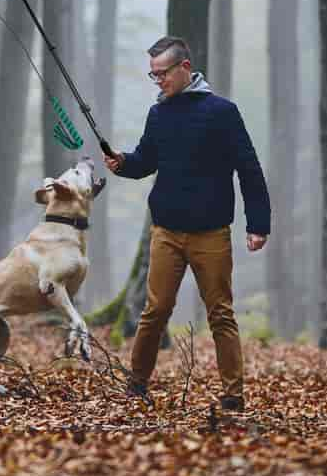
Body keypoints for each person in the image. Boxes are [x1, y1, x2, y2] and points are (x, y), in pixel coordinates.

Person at [103, 35, 270, 412]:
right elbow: (146, 160)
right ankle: (137, 386)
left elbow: (249, 169)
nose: (158, 80)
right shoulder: (159, 114)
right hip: (166, 230)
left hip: (211, 232)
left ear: (185, 68)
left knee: (221, 313)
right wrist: (123, 162)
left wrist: (258, 224)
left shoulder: (222, 112)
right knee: (155, 311)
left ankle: (233, 395)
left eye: (162, 73)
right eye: (152, 75)